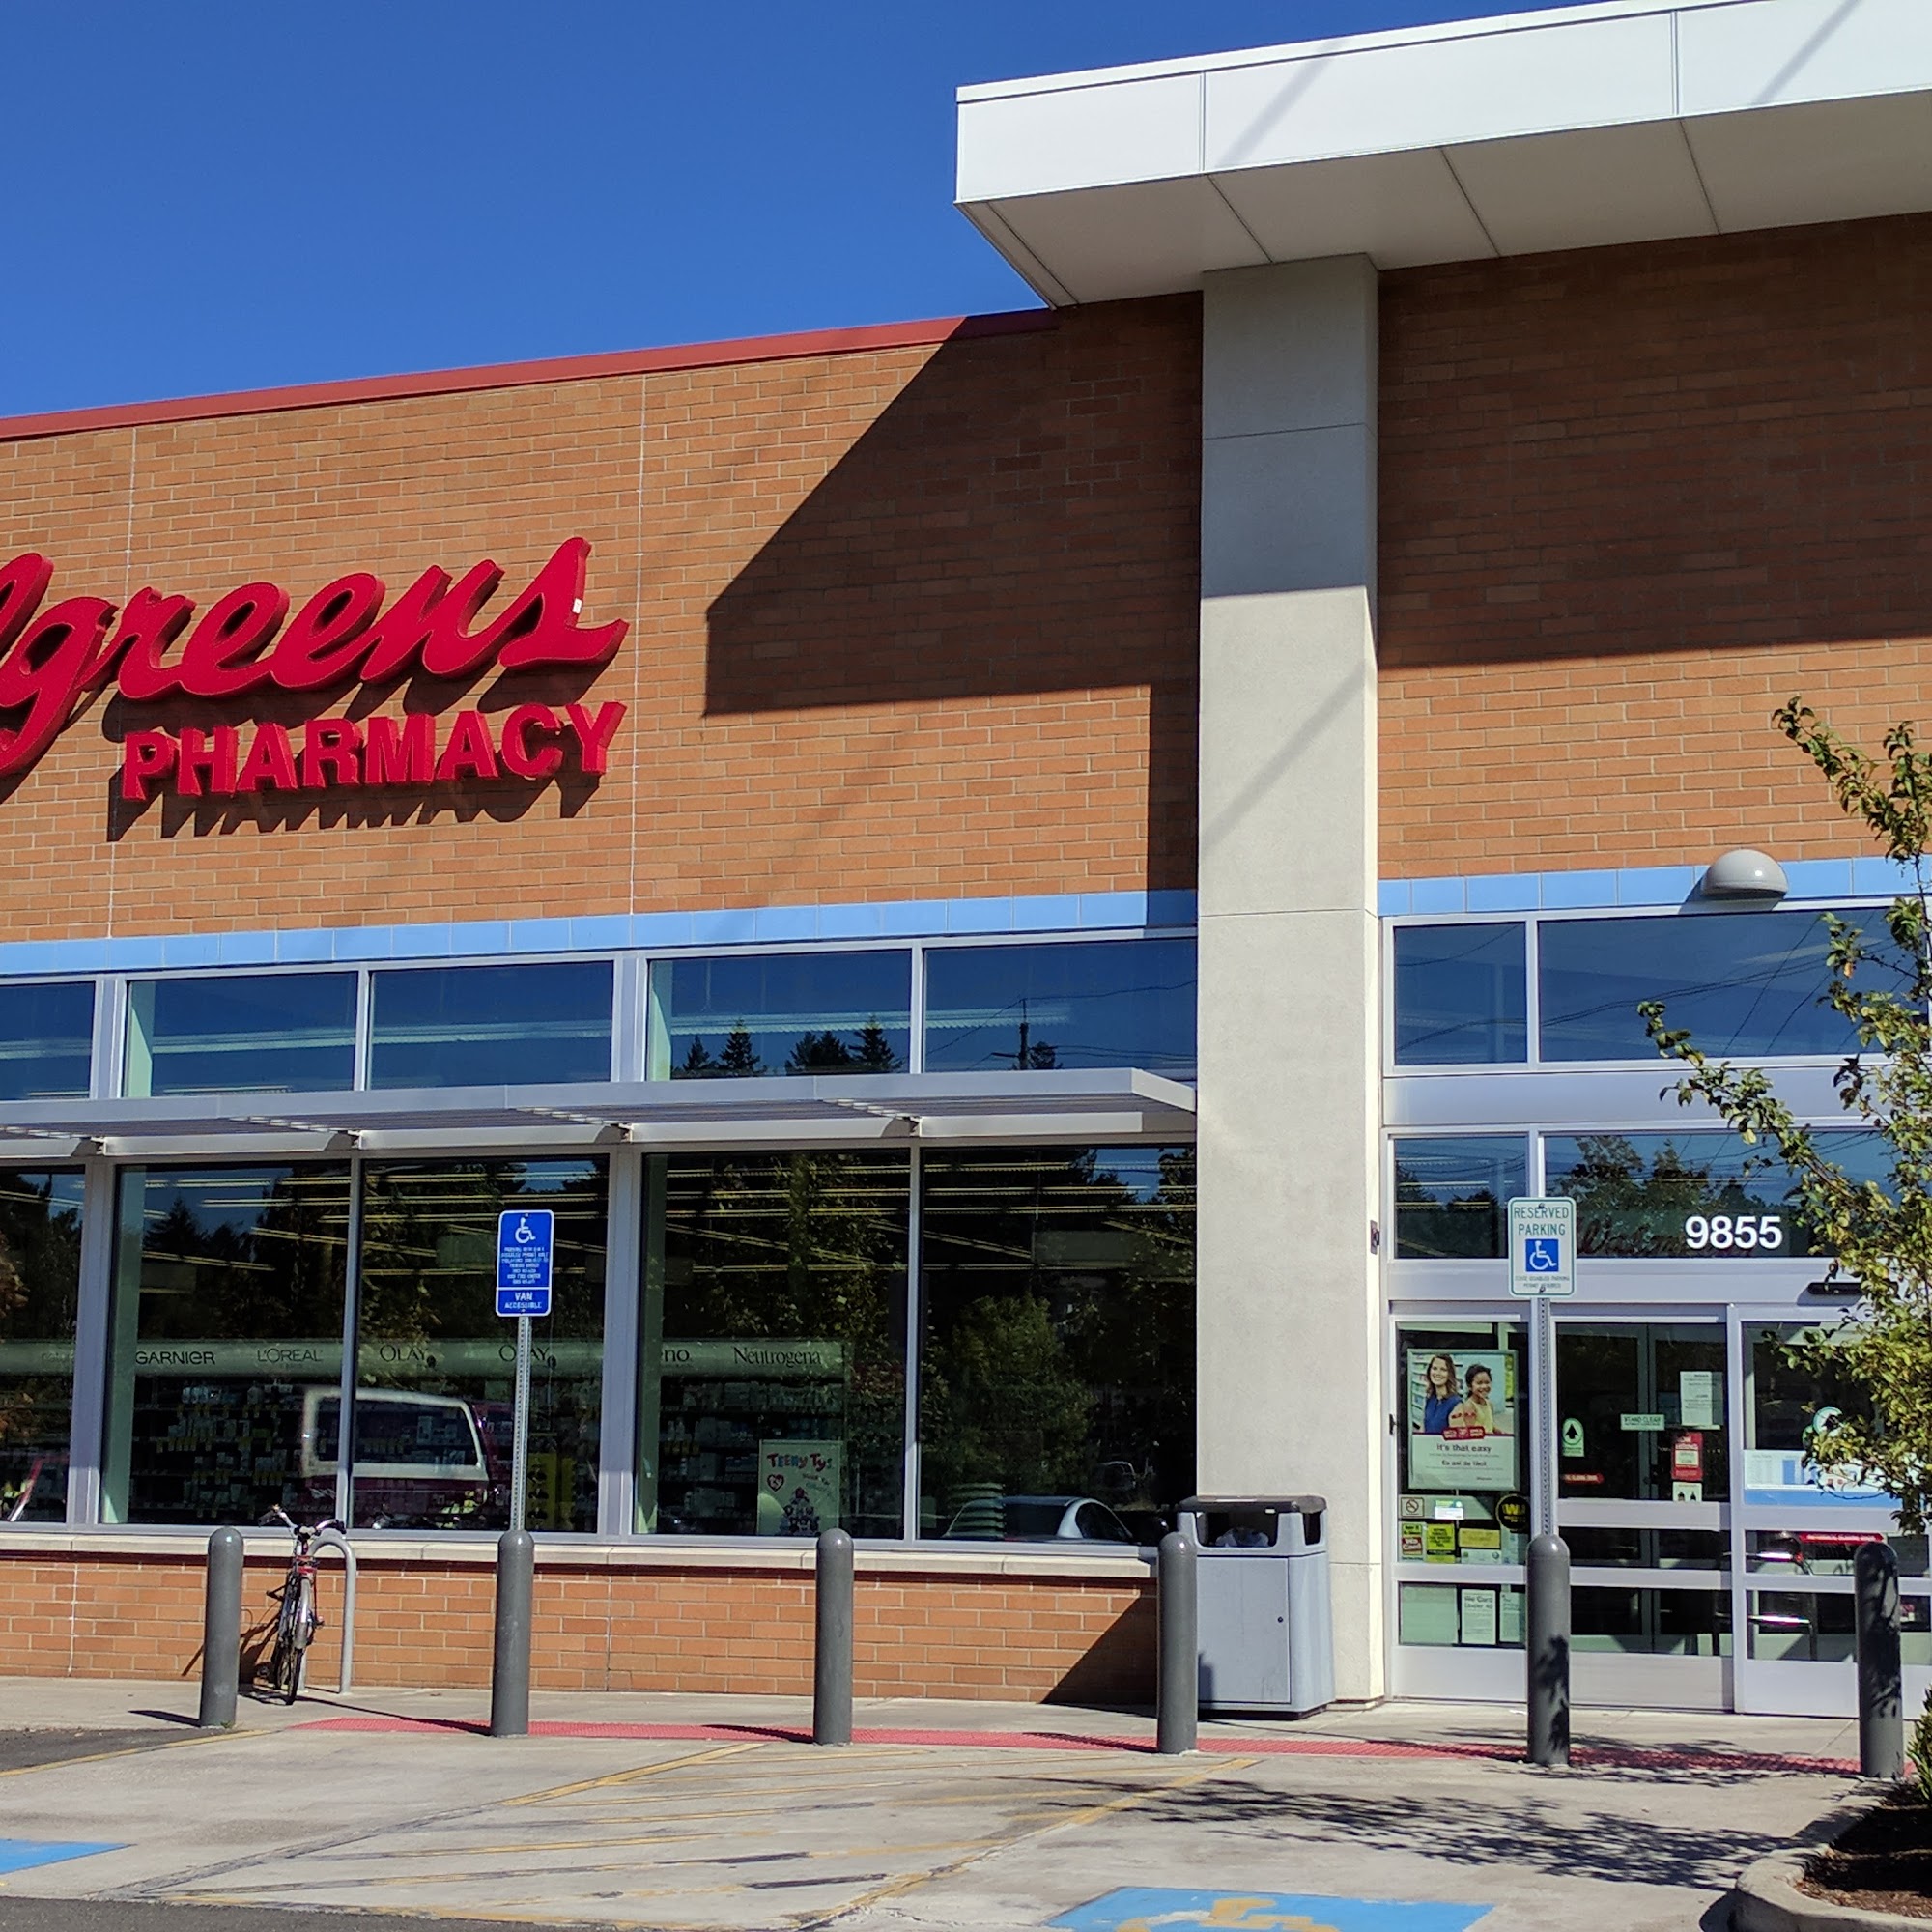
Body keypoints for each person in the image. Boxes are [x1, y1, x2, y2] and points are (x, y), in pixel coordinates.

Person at [1447, 1363, 1496, 1437]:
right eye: (1479, 1383)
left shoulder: (1489, 1404)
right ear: (1470, 1386)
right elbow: (1472, 1431)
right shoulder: (1469, 1406)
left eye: (1487, 1382)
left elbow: (1489, 1425)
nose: (1484, 1386)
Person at [1420, 1353, 1460, 1435]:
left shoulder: (1456, 1404)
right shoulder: (1429, 1399)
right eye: (1434, 1368)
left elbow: (1456, 1439)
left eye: (1443, 1369)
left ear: (1450, 1374)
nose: (1438, 1373)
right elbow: (1422, 1430)